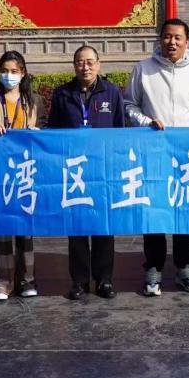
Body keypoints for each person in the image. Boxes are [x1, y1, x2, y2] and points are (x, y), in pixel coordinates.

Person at [125, 18, 189, 296]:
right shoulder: (143, 69)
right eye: (166, 37)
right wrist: (146, 122)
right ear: (159, 39)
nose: (171, 42)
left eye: (177, 38)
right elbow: (129, 104)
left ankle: (185, 266)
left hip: (187, 156)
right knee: (154, 210)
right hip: (153, 153)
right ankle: (153, 267)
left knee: (183, 210)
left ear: (187, 41)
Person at [49, 45, 127, 301]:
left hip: (103, 169)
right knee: (78, 228)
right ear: (74, 65)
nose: (86, 67)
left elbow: (120, 131)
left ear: (99, 64)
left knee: (104, 226)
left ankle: (104, 280)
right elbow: (54, 132)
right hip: (74, 172)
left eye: (90, 62)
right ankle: (79, 281)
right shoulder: (62, 94)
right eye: (80, 62)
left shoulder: (112, 92)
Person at [0, 51, 46, 301]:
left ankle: (27, 279)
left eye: (15, 71)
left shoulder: (35, 101)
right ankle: (2, 281)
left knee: (25, 229)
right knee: (1, 227)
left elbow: (45, 132)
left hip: (27, 171)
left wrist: (37, 131)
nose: (9, 75)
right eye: (5, 70)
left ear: (23, 73)